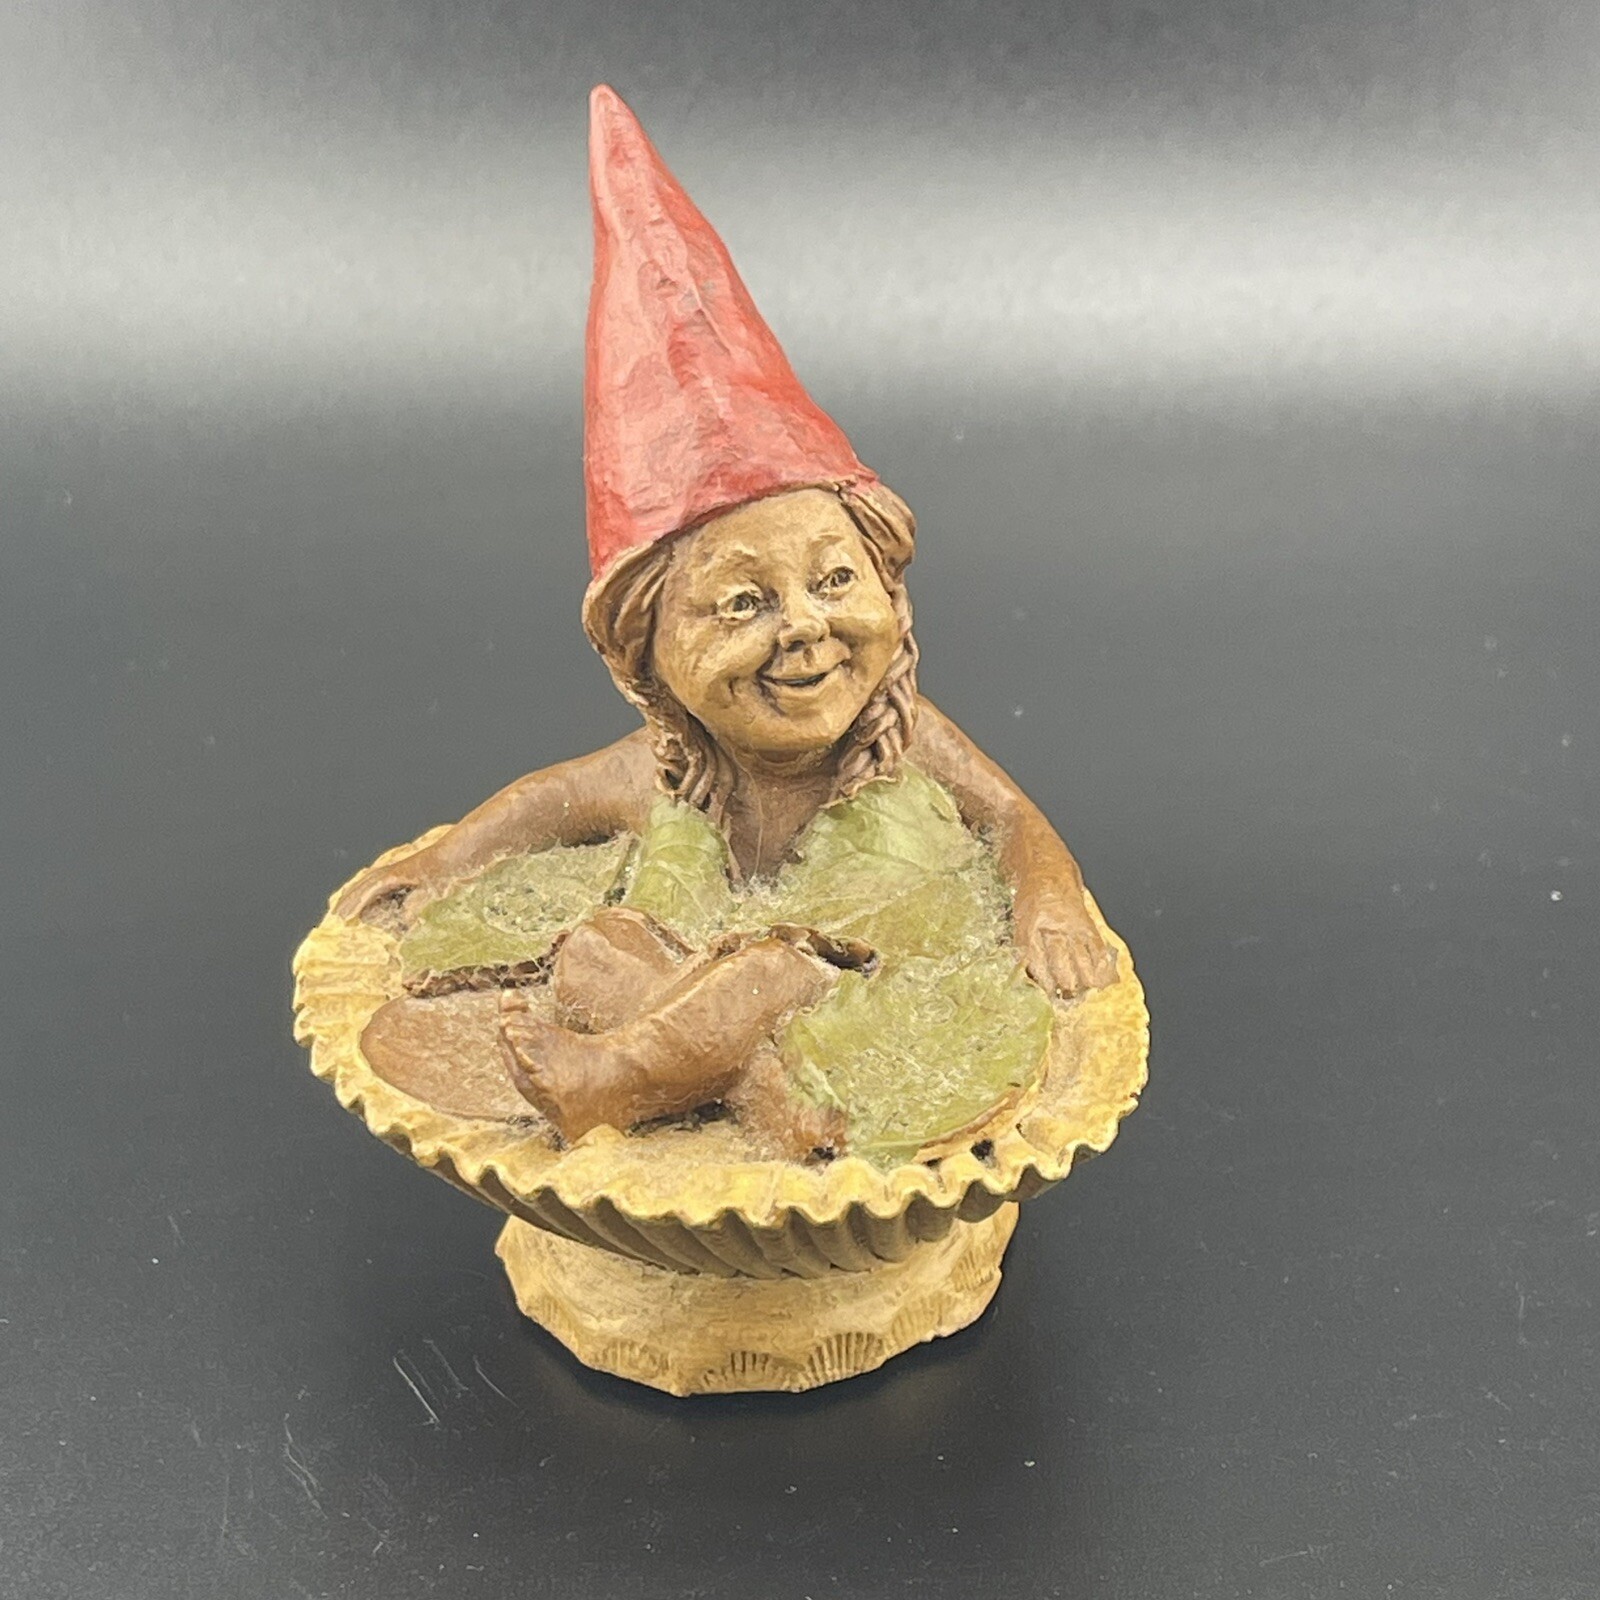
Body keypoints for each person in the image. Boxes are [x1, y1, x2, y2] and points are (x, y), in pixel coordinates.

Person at [337, 87, 1114, 1147]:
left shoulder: (903, 748)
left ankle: (616, 1077)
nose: (804, 629)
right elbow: (549, 802)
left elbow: (1013, 820)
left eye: (835, 581)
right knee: (598, 949)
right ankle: (763, 1097)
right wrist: (441, 863)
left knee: (769, 968)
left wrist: (1047, 896)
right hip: (728, 1000)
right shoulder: (669, 769)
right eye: (743, 602)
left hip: (882, 1005)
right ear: (647, 658)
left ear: (890, 588)